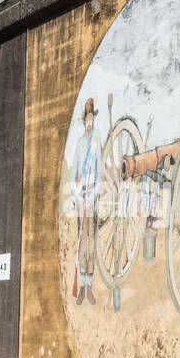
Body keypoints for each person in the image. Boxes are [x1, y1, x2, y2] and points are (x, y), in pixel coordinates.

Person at [73, 98, 100, 305]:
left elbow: (98, 176)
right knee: (82, 246)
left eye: (91, 119)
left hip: (92, 199)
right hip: (81, 200)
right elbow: (75, 172)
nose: (89, 123)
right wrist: (77, 196)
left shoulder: (96, 144)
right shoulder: (81, 143)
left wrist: (92, 195)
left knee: (91, 245)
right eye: (87, 119)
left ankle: (90, 288)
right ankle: (81, 288)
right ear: (84, 122)